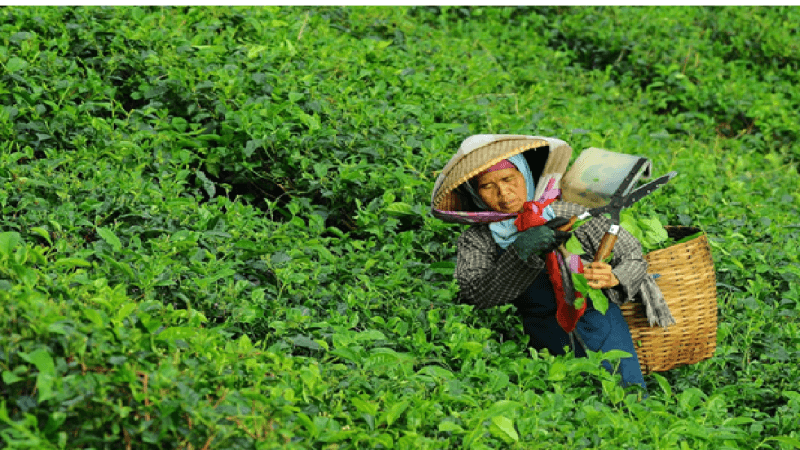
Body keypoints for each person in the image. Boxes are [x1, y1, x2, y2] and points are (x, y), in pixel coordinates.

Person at [453, 151, 648, 390]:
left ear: (525, 175)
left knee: (627, 397)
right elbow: (474, 294)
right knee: (563, 402)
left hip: (602, 327)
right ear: (475, 193)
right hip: (544, 338)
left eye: (508, 179)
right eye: (487, 186)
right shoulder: (477, 239)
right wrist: (519, 252)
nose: (503, 192)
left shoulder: (565, 211)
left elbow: (632, 255)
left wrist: (615, 276)